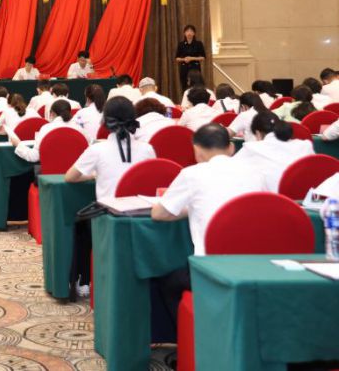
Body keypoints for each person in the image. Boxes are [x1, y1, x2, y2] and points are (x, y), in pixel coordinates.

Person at [150, 124, 268, 332]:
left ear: (197, 150)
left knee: (168, 280)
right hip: (253, 265)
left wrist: (191, 208)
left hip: (210, 269)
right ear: (231, 148)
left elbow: (158, 214)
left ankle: (194, 338)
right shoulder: (256, 173)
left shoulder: (192, 174)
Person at [65, 97, 156, 200]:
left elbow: (70, 177)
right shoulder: (148, 149)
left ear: (105, 120)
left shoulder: (96, 149)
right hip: (141, 208)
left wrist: (94, 175)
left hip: (108, 209)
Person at [234, 111, 315, 192]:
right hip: (304, 195)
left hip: (271, 198)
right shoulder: (305, 145)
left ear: (258, 133)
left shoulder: (251, 148)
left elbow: (231, 170)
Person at [174, 24, 206, 91]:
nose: (189, 33)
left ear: (194, 33)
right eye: (187, 31)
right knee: (184, 86)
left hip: (195, 67)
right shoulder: (181, 44)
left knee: (196, 85)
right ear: (184, 33)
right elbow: (177, 58)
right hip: (184, 67)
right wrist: (184, 59)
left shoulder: (198, 44)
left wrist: (192, 58)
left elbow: (203, 57)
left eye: (191, 31)